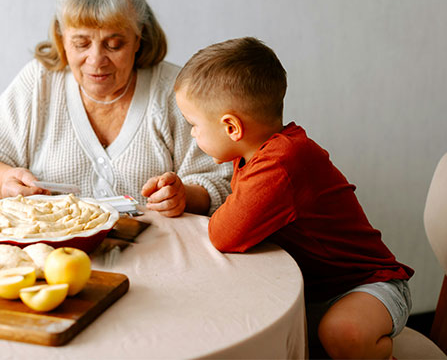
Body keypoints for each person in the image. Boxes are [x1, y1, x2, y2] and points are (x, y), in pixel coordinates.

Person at [173, 37, 414, 359]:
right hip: (314, 292)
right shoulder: (252, 156)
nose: (192, 134)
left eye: (193, 125)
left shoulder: (281, 163)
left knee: (343, 333)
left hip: (368, 287)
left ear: (231, 127)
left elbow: (223, 234)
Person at [0, 0, 231, 217]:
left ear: (139, 39)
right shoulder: (39, 82)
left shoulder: (174, 90)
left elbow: (220, 181)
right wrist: (5, 180)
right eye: (81, 43)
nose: (96, 60)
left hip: (159, 254)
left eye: (114, 44)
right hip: (52, 256)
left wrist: (184, 197)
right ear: (62, 40)